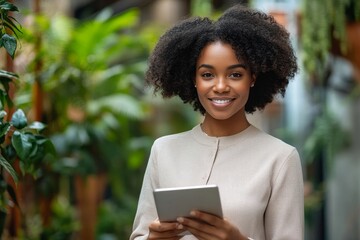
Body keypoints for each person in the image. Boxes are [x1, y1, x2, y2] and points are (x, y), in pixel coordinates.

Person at [130, 4, 304, 240]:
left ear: (252, 78)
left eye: (235, 74)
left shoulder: (280, 158)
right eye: (207, 74)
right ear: (193, 79)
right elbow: (139, 235)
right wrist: (153, 238)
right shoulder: (164, 150)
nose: (220, 86)